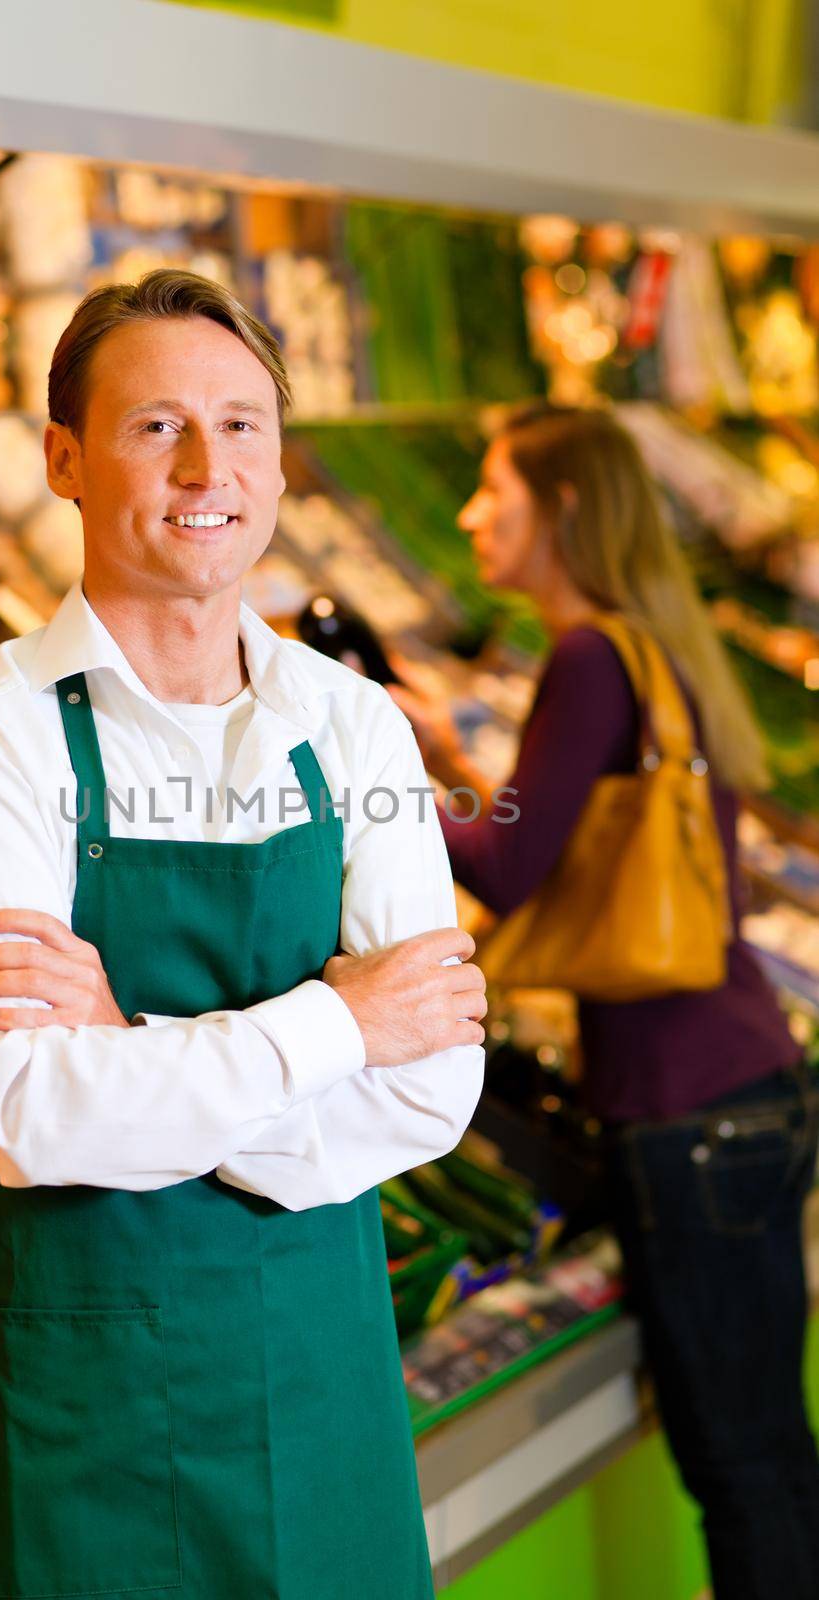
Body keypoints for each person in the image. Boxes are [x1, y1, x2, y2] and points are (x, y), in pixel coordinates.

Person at [0, 269, 487, 1600]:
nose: (208, 464)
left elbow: (431, 1087)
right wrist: (336, 1024)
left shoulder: (352, 728)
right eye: (156, 426)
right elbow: (37, 1113)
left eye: (243, 424)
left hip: (316, 1385)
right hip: (72, 1415)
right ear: (64, 459)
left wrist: (135, 1049)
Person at [387, 402, 819, 1600]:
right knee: (772, 1457)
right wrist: (452, 761)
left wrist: (367, 779)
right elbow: (564, 844)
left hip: (686, 1112)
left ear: (562, 509)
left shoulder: (586, 656)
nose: (473, 515)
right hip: (742, 1089)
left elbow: (514, 861)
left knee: (739, 1468)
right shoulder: (648, 644)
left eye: (495, 491)